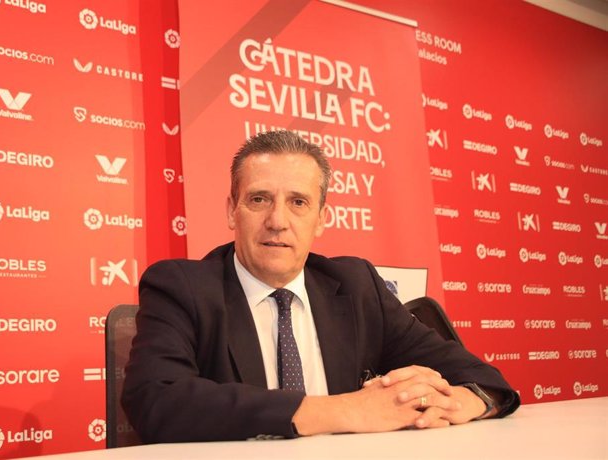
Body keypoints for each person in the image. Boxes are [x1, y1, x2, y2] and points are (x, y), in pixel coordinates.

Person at [122, 130, 519, 443]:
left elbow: (480, 376)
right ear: (232, 210)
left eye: (298, 202)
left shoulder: (357, 285)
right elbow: (155, 400)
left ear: (322, 218)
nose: (278, 221)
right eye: (259, 199)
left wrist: (469, 401)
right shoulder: (180, 286)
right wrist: (345, 411)